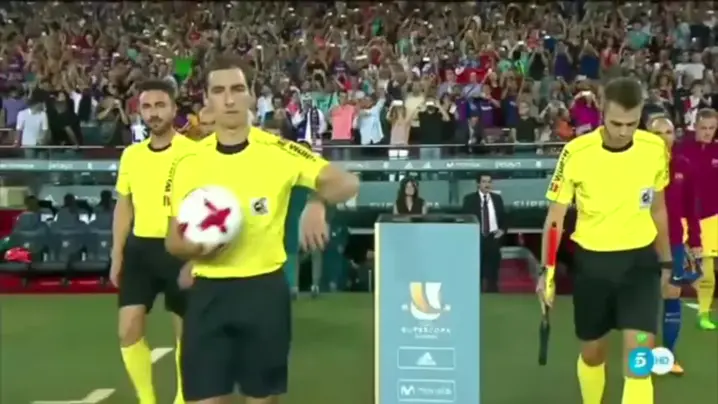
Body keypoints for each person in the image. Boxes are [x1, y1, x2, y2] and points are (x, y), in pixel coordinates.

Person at [164, 55, 359, 404]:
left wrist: (316, 203)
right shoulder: (187, 161)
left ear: (251, 95)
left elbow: (347, 182)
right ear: (206, 100)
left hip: (263, 293)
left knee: (262, 399)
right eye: (219, 91)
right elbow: (172, 241)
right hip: (207, 294)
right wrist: (197, 249)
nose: (229, 99)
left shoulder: (278, 151)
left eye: (237, 89)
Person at [538, 77, 672, 404]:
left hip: (640, 265)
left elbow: (658, 209)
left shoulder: (655, 149)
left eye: (632, 123)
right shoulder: (576, 152)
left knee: (639, 360)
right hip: (593, 266)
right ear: (602, 113)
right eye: (616, 123)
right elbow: (555, 218)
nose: (624, 131)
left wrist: (667, 261)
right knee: (593, 354)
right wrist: (547, 272)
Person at [112, 79, 196, 404]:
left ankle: (182, 398)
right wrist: (117, 254)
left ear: (174, 109)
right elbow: (124, 205)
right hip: (140, 251)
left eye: (160, 105)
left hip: (181, 250)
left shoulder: (193, 153)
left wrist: (199, 255)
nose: (153, 113)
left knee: (185, 333)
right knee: (127, 329)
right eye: (147, 107)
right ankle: (147, 400)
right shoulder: (131, 156)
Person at [647, 116, 701, 376]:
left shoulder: (683, 166)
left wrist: (696, 241)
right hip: (642, 242)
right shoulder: (637, 167)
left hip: (675, 242)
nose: (664, 138)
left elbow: (691, 207)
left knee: (672, 295)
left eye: (668, 132)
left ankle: (668, 354)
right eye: (658, 133)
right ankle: (642, 353)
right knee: (644, 299)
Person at [676, 108, 718, 330]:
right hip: (683, 218)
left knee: (708, 273)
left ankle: (703, 314)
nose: (708, 132)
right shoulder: (681, 149)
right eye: (704, 128)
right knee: (677, 270)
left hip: (710, 219)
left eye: (712, 128)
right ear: (695, 126)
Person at [461, 174, 506, 293]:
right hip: (476, 238)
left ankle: (493, 292)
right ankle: (476, 292)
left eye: (489, 182)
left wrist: (502, 230)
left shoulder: (497, 199)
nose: (487, 184)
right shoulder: (469, 199)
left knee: (493, 269)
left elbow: (504, 217)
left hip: (493, 237)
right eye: (484, 182)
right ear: (478, 184)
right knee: (477, 268)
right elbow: (465, 218)